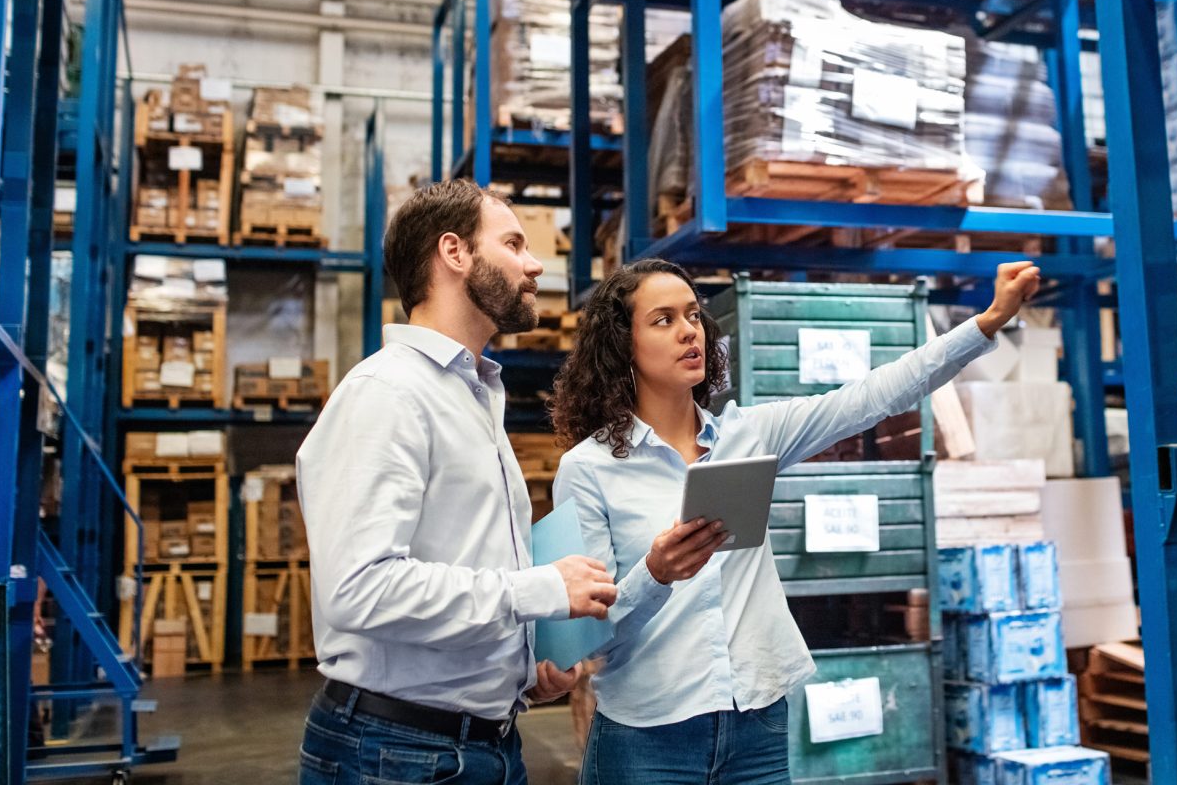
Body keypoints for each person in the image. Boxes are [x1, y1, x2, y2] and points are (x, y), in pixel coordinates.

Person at [550, 258, 1041, 785]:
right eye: (664, 319)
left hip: (756, 728)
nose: (689, 330)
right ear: (623, 346)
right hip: (646, 739)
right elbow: (586, 640)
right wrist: (656, 573)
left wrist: (987, 322)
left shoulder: (750, 435)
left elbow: (874, 395)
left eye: (693, 315)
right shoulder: (588, 469)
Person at [296, 179, 617, 785]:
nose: (535, 263)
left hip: (482, 744)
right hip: (395, 753)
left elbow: (461, 559)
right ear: (455, 253)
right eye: (515, 243)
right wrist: (537, 591)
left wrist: (524, 665)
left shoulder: (473, 394)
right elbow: (360, 589)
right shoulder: (388, 395)